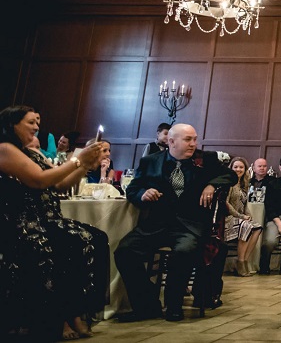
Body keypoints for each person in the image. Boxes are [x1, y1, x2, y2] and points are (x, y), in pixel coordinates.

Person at [0, 105, 109, 340]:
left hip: (45, 219)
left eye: (38, 122)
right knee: (66, 244)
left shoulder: (31, 153)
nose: (37, 126)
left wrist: (86, 165)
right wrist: (78, 160)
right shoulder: (5, 149)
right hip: (21, 223)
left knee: (96, 238)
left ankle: (74, 312)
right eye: (31, 122)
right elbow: (39, 181)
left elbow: (60, 184)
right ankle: (60, 318)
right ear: (12, 124)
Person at [115, 123, 236, 322]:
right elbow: (133, 189)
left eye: (195, 139)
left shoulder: (206, 160)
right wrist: (143, 193)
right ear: (171, 141)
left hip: (190, 226)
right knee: (124, 251)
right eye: (188, 140)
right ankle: (147, 305)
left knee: (184, 251)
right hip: (156, 224)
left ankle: (174, 305)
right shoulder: (150, 161)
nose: (193, 144)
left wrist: (211, 185)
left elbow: (230, 175)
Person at [225, 156, 263, 277]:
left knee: (257, 227)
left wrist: (248, 215)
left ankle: (245, 261)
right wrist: (240, 216)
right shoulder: (228, 183)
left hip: (240, 218)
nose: (238, 169)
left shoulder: (244, 184)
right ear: (231, 168)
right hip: (228, 218)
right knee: (246, 226)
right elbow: (226, 203)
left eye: (241, 167)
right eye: (235, 167)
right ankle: (240, 262)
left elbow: (245, 204)